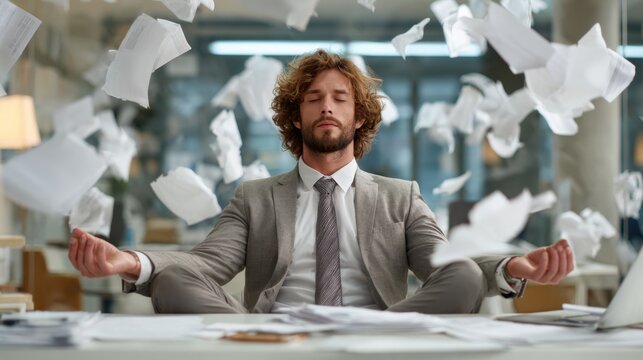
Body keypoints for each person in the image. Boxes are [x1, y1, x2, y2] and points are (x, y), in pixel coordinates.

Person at [68, 50, 574, 314]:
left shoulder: (403, 198)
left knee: (463, 275)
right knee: (174, 279)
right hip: (270, 334)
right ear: (295, 117)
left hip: (379, 333)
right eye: (312, 98)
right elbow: (203, 265)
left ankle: (381, 334)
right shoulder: (255, 197)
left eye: (339, 98)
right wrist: (128, 261)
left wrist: (512, 265)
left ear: (359, 119)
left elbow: (446, 266)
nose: (326, 105)